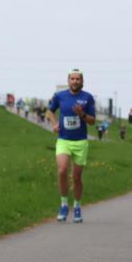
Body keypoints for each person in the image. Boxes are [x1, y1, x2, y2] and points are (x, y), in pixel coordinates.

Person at [47, 70, 97, 223]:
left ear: (82, 81)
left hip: (80, 142)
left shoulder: (87, 98)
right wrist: (55, 124)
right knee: (62, 170)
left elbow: (92, 121)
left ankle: (76, 207)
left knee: (76, 177)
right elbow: (49, 111)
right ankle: (63, 205)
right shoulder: (60, 96)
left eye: (78, 79)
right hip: (63, 140)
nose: (75, 81)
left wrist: (82, 114)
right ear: (68, 80)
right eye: (72, 78)